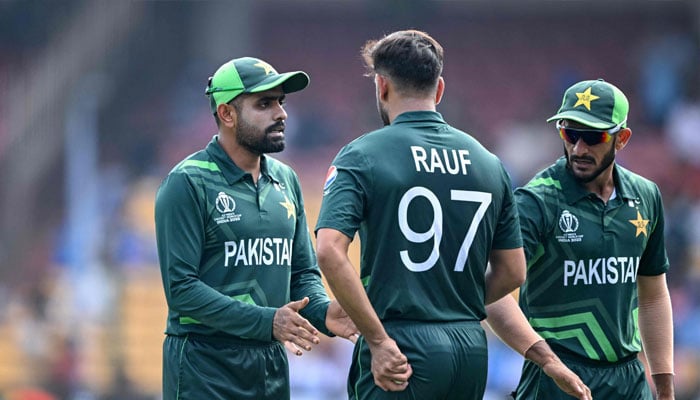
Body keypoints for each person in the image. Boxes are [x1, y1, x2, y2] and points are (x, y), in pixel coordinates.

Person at [314, 30, 590, 400]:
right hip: (470, 350)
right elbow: (513, 271)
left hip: (401, 345)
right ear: (439, 89)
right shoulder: (490, 164)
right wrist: (455, 304)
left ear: (381, 86)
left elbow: (329, 251)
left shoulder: (362, 155)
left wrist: (378, 338)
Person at [154, 57, 358, 400]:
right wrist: (268, 322)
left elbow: (302, 273)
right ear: (227, 114)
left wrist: (324, 312)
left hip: (270, 366)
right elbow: (181, 290)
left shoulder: (286, 179)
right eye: (264, 103)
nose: (281, 114)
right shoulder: (187, 183)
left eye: (281, 102)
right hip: (205, 366)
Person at [491, 78, 675, 399]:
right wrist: (548, 362)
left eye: (593, 136)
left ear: (622, 139)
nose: (579, 149)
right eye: (570, 133)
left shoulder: (646, 196)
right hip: (556, 379)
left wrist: (664, 388)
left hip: (628, 380)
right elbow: (492, 294)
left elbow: (653, 295)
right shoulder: (537, 201)